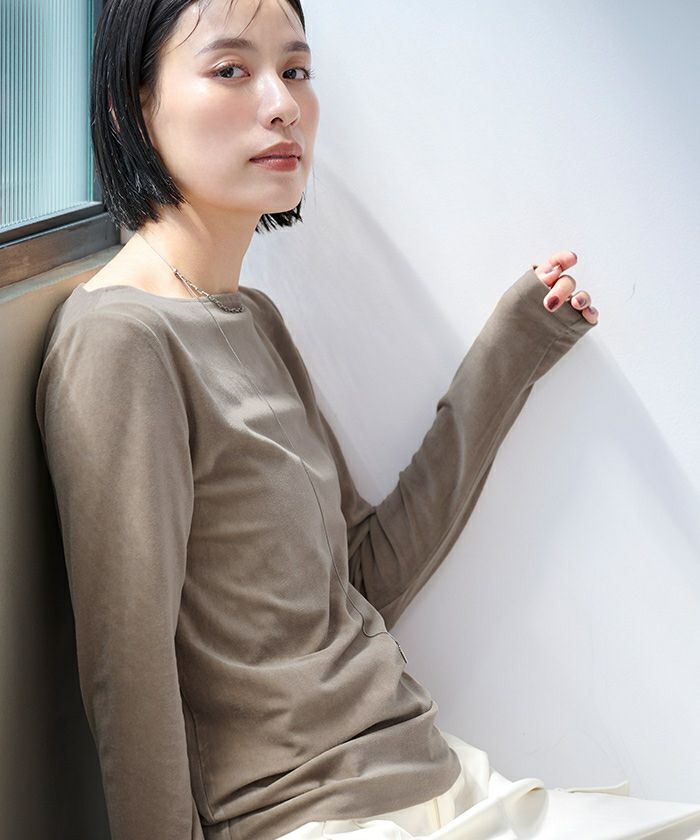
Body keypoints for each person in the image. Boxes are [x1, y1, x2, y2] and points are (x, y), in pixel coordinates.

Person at [33, 0, 700, 838]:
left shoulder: (253, 319)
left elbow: (363, 579)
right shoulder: (119, 342)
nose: (282, 103)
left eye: (296, 70)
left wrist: (514, 347)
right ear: (130, 106)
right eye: (231, 70)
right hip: (309, 818)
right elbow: (127, 673)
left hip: (440, 779)